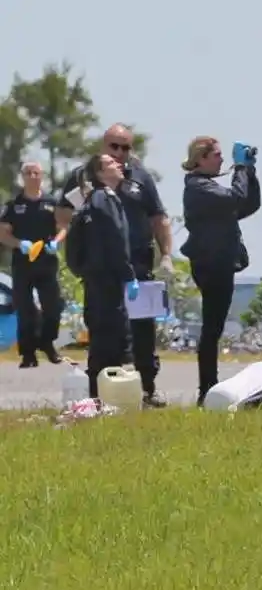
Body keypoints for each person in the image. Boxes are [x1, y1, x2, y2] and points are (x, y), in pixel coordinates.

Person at [56, 124, 175, 408]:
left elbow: (158, 217)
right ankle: (103, 391)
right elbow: (64, 217)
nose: (120, 154)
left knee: (141, 331)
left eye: (126, 148)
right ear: (103, 147)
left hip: (138, 263)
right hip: (105, 268)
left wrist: (166, 254)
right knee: (106, 331)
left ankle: (146, 387)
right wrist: (80, 259)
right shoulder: (84, 178)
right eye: (114, 147)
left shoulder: (140, 176)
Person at [180, 136, 261, 406]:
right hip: (210, 264)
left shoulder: (209, 188)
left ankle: (208, 387)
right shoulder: (198, 187)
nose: (222, 159)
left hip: (221, 262)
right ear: (200, 159)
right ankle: (207, 388)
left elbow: (247, 204)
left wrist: (249, 170)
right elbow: (234, 197)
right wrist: (239, 169)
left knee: (213, 328)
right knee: (211, 328)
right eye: (216, 154)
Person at [67, 154, 139, 400]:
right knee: (112, 340)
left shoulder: (93, 201)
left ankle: (102, 397)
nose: (118, 165)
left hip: (97, 280)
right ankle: (104, 399)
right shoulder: (104, 199)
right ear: (99, 174)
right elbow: (115, 238)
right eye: (110, 164)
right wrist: (128, 275)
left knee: (103, 340)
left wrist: (85, 271)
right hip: (107, 280)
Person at [0, 162, 66, 366]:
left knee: (53, 307)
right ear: (23, 177)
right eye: (28, 173)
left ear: (41, 176)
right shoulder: (13, 204)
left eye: (36, 172)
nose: (32, 176)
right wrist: (20, 244)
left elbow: (62, 227)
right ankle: (28, 354)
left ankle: (47, 343)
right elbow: (3, 233)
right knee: (26, 310)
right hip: (23, 263)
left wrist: (56, 242)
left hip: (47, 263)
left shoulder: (51, 202)